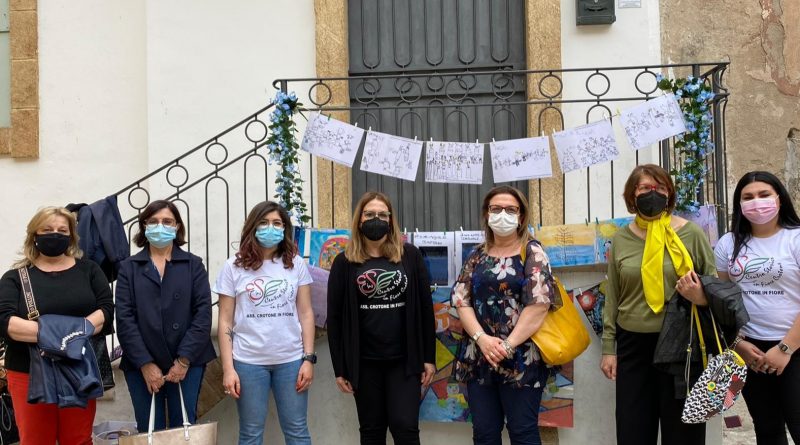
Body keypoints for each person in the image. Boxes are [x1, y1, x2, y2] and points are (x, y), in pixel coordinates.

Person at [600, 164, 716, 445]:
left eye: (660, 188)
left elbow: (713, 286)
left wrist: (700, 295)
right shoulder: (621, 238)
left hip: (682, 345)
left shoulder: (691, 234)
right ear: (632, 195)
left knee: (683, 434)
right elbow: (613, 295)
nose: (652, 193)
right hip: (633, 346)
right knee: (633, 430)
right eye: (644, 188)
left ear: (669, 194)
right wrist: (608, 348)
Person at [327, 191, 435, 445]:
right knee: (371, 430)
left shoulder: (410, 256)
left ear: (391, 220)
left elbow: (425, 309)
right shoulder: (344, 262)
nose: (376, 219)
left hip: (404, 361)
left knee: (405, 428)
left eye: (382, 215)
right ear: (359, 220)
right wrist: (340, 368)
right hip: (364, 362)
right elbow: (335, 317)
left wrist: (429, 358)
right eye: (369, 214)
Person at [451, 185, 556, 445]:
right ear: (486, 214)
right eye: (496, 209)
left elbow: (539, 304)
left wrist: (507, 345)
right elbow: (461, 300)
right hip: (479, 357)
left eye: (510, 210)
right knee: (484, 433)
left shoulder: (532, 252)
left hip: (522, 358)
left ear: (521, 216)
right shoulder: (476, 255)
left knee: (523, 432)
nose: (502, 215)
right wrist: (482, 339)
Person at [0, 206, 114, 444]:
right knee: (36, 440)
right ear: (34, 235)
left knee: (78, 439)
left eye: (62, 230)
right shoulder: (15, 277)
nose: (55, 234)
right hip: (27, 372)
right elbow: (6, 322)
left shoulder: (90, 270)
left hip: (79, 369)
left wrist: (53, 334)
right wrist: (71, 334)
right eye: (47, 229)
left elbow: (105, 310)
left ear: (71, 236)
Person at [215, 201, 315, 445]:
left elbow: (306, 313)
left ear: (285, 228)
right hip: (248, 362)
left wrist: (308, 359)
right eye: (264, 222)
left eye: (277, 223)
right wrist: (228, 369)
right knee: (250, 433)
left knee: (297, 431)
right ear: (253, 226)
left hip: (291, 361)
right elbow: (225, 320)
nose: (270, 228)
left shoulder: (295, 264)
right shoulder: (233, 266)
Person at [115, 200, 216, 433]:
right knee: (150, 430)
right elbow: (125, 319)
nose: (160, 226)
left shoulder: (193, 265)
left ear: (177, 227)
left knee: (184, 429)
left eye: (167, 221)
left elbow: (203, 314)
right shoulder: (129, 267)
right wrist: (145, 363)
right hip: (141, 362)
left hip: (188, 360)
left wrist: (183, 361)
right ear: (144, 226)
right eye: (153, 221)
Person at [715, 171, 800, 444]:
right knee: (767, 428)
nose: (756, 202)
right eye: (748, 197)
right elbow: (724, 301)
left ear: (779, 198)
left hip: (794, 347)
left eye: (764, 195)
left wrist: (785, 348)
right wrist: (738, 343)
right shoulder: (728, 244)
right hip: (750, 351)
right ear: (739, 204)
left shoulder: (796, 238)